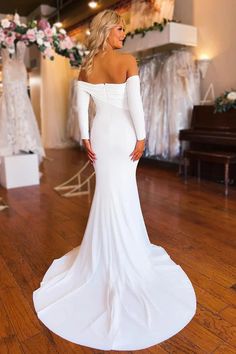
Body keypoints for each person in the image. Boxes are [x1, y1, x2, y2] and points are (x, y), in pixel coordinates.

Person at [33, 9, 196, 351]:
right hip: (123, 135)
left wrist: (86, 139)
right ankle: (126, 253)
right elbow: (136, 104)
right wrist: (142, 137)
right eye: (120, 30)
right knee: (123, 194)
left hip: (103, 137)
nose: (124, 35)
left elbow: (81, 110)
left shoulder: (87, 67)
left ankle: (104, 256)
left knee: (108, 194)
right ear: (107, 31)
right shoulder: (128, 62)